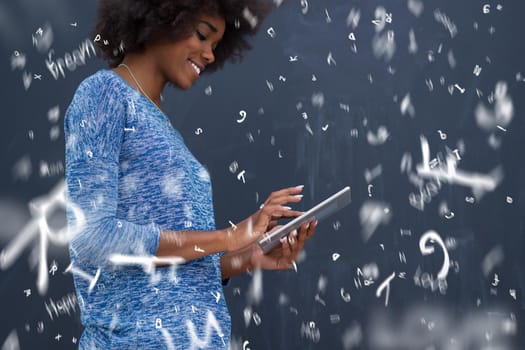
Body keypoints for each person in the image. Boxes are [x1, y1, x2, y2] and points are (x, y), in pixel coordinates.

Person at [64, 0, 317, 348]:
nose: (210, 55)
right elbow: (92, 237)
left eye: (216, 46)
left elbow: (164, 273)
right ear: (160, 17)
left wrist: (245, 257)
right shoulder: (103, 95)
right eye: (202, 35)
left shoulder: (164, 128)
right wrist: (230, 236)